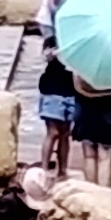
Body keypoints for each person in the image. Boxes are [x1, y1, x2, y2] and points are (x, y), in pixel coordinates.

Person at [36, 40, 78, 179]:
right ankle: (44, 168)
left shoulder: (77, 42)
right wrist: (53, 53)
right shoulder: (53, 40)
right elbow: (45, 55)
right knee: (53, 132)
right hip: (52, 90)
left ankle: (63, 169)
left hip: (71, 91)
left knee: (66, 134)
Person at [72, 74, 111, 185]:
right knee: (105, 156)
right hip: (107, 109)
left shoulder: (79, 62)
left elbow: (75, 85)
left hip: (84, 108)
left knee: (89, 154)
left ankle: (91, 190)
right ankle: (105, 192)